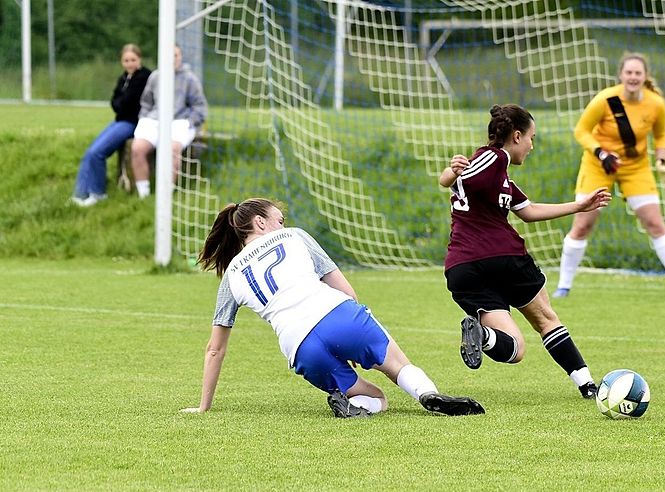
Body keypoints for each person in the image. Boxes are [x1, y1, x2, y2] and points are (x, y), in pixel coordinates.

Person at [182, 198, 485, 419]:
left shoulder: (232, 274)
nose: (281, 225)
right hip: (338, 314)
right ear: (261, 223)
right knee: (396, 365)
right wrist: (352, 335)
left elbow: (214, 349)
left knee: (376, 398)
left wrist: (204, 405)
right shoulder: (294, 235)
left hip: (300, 348)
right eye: (278, 220)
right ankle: (426, 393)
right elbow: (345, 289)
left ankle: (353, 407)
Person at [438, 104, 612, 399]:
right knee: (546, 318)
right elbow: (462, 174)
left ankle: (483, 336)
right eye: (531, 137)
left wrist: (579, 206)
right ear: (516, 136)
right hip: (501, 258)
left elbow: (529, 211)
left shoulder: (502, 178)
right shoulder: (493, 158)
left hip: (463, 270)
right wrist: (451, 172)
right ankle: (586, 384)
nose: (532, 145)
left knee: (514, 348)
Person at [555, 52, 665, 298]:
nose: (633, 77)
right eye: (629, 72)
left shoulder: (656, 103)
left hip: (636, 166)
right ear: (621, 75)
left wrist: (661, 161)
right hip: (598, 164)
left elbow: (662, 135)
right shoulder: (606, 99)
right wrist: (601, 153)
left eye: (637, 73)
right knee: (582, 225)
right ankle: (563, 287)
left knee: (654, 222)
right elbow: (581, 130)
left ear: (645, 76)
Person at [70, 44, 151, 207]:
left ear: (139, 59)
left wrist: (121, 102)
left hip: (132, 123)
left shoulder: (144, 77)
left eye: (133, 60)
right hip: (119, 120)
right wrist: (121, 102)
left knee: (97, 153)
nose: (129, 63)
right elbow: (114, 101)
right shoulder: (123, 78)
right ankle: (80, 195)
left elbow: (130, 103)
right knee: (89, 153)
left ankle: (98, 194)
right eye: (126, 60)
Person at [130, 45, 207, 199]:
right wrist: (144, 118)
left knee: (172, 149)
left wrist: (189, 122)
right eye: (169, 55)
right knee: (137, 148)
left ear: (180, 57)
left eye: (176, 55)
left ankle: (165, 195)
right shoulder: (155, 76)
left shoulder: (189, 78)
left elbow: (200, 107)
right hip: (155, 120)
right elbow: (146, 103)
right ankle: (143, 195)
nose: (172, 58)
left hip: (180, 121)